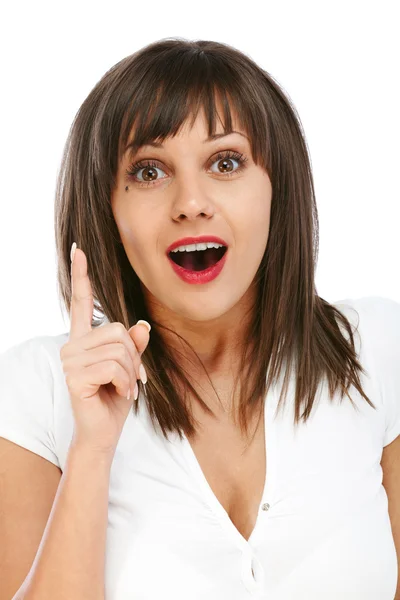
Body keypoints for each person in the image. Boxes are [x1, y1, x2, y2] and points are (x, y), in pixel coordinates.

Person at [1, 37, 400, 600]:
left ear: (276, 189)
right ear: (106, 208)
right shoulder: (34, 389)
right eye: (148, 171)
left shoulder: (377, 351)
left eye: (226, 162)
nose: (191, 201)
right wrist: (91, 450)